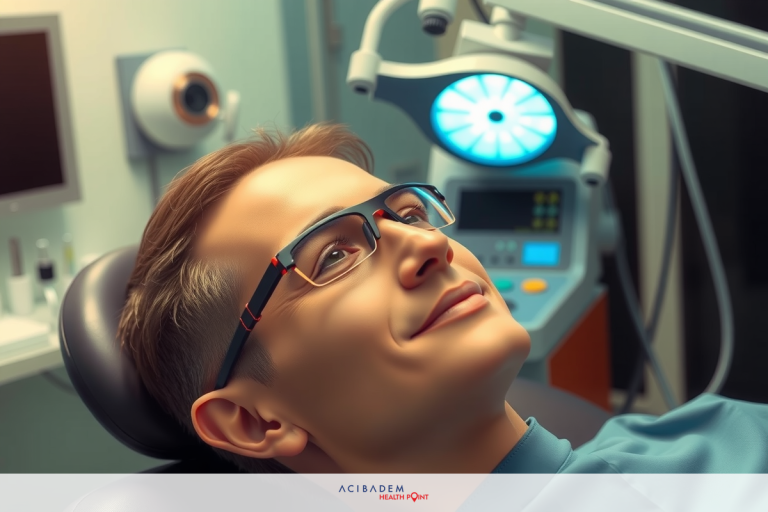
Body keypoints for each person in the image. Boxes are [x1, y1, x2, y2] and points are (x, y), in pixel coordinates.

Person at [117, 123, 768, 474]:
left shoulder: (727, 448)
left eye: (408, 212)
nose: (426, 246)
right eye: (334, 254)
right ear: (254, 422)